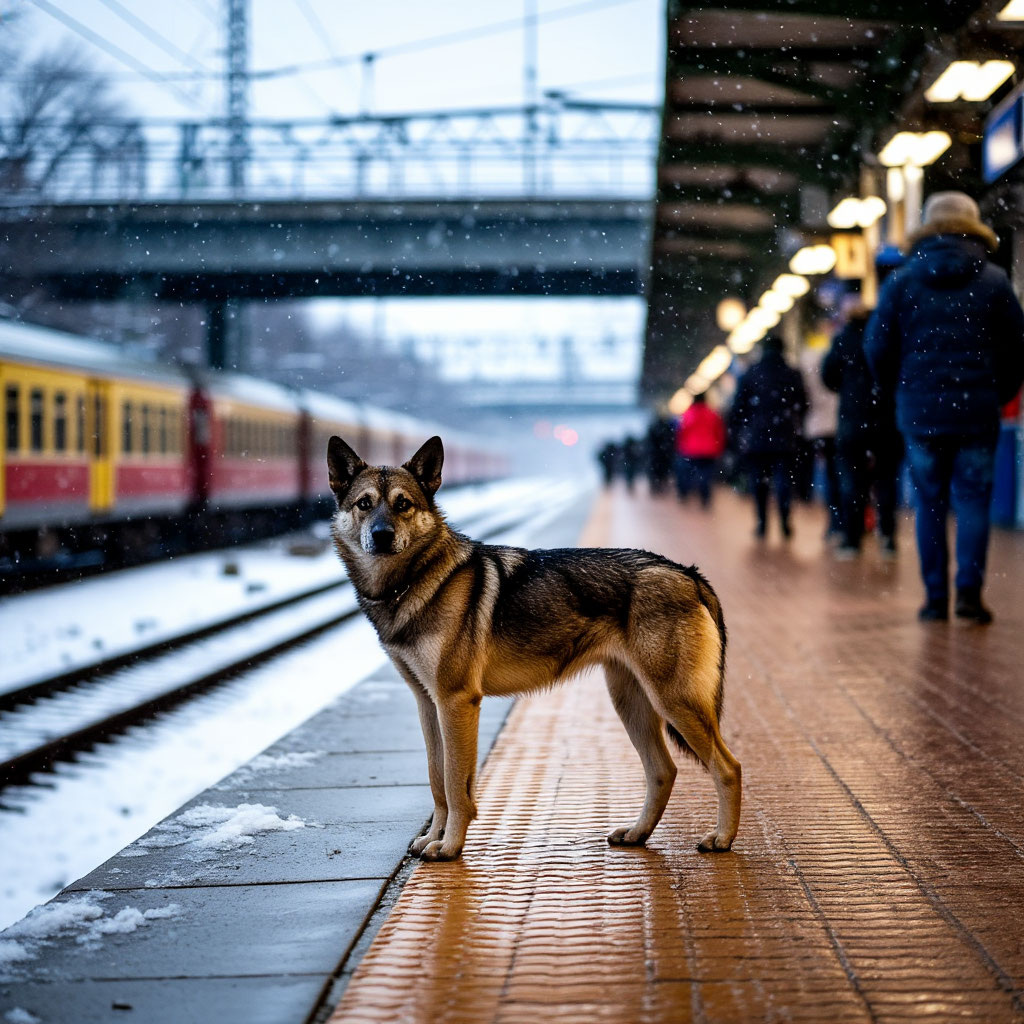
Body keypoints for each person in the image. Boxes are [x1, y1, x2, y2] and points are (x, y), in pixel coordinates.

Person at [864, 191, 1024, 622]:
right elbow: (1017, 348)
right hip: (978, 411)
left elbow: (876, 347)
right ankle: (969, 596)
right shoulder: (993, 280)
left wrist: (900, 388)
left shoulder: (902, 281)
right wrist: (999, 390)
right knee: (973, 502)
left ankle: (935, 601)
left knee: (929, 504)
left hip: (920, 413)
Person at [822, 297, 902, 559]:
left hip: (852, 422)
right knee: (886, 480)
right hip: (886, 421)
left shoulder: (843, 339)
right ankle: (888, 538)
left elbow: (828, 376)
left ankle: (852, 541)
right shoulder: (886, 337)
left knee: (851, 483)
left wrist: (850, 390)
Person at [728, 334, 808, 538]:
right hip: (785, 435)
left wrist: (741, 429)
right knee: (783, 480)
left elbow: (738, 407)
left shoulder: (751, 373)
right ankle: (784, 521)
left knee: (759, 481)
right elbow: (804, 403)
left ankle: (762, 524)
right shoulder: (792, 373)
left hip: (757, 436)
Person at [799, 338, 842, 537]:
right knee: (846, 475)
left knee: (829, 475)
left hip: (819, 428)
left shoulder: (808, 366)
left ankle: (834, 522)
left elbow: (804, 399)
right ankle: (846, 521)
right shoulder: (837, 360)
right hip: (841, 423)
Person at [675, 393, 726, 507]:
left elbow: (681, 432)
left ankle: (686, 493)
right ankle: (705, 497)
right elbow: (719, 433)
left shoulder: (687, 414)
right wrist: (719, 448)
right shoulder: (712, 414)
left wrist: (680, 447)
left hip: (690, 450)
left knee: (689, 472)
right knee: (706, 474)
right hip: (709, 450)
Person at [645, 416, 676, 495]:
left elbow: (649, 441)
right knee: (663, 471)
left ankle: (656, 486)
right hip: (664, 454)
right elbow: (671, 440)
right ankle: (661, 486)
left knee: (655, 471)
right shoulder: (667, 429)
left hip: (655, 455)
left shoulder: (653, 429)